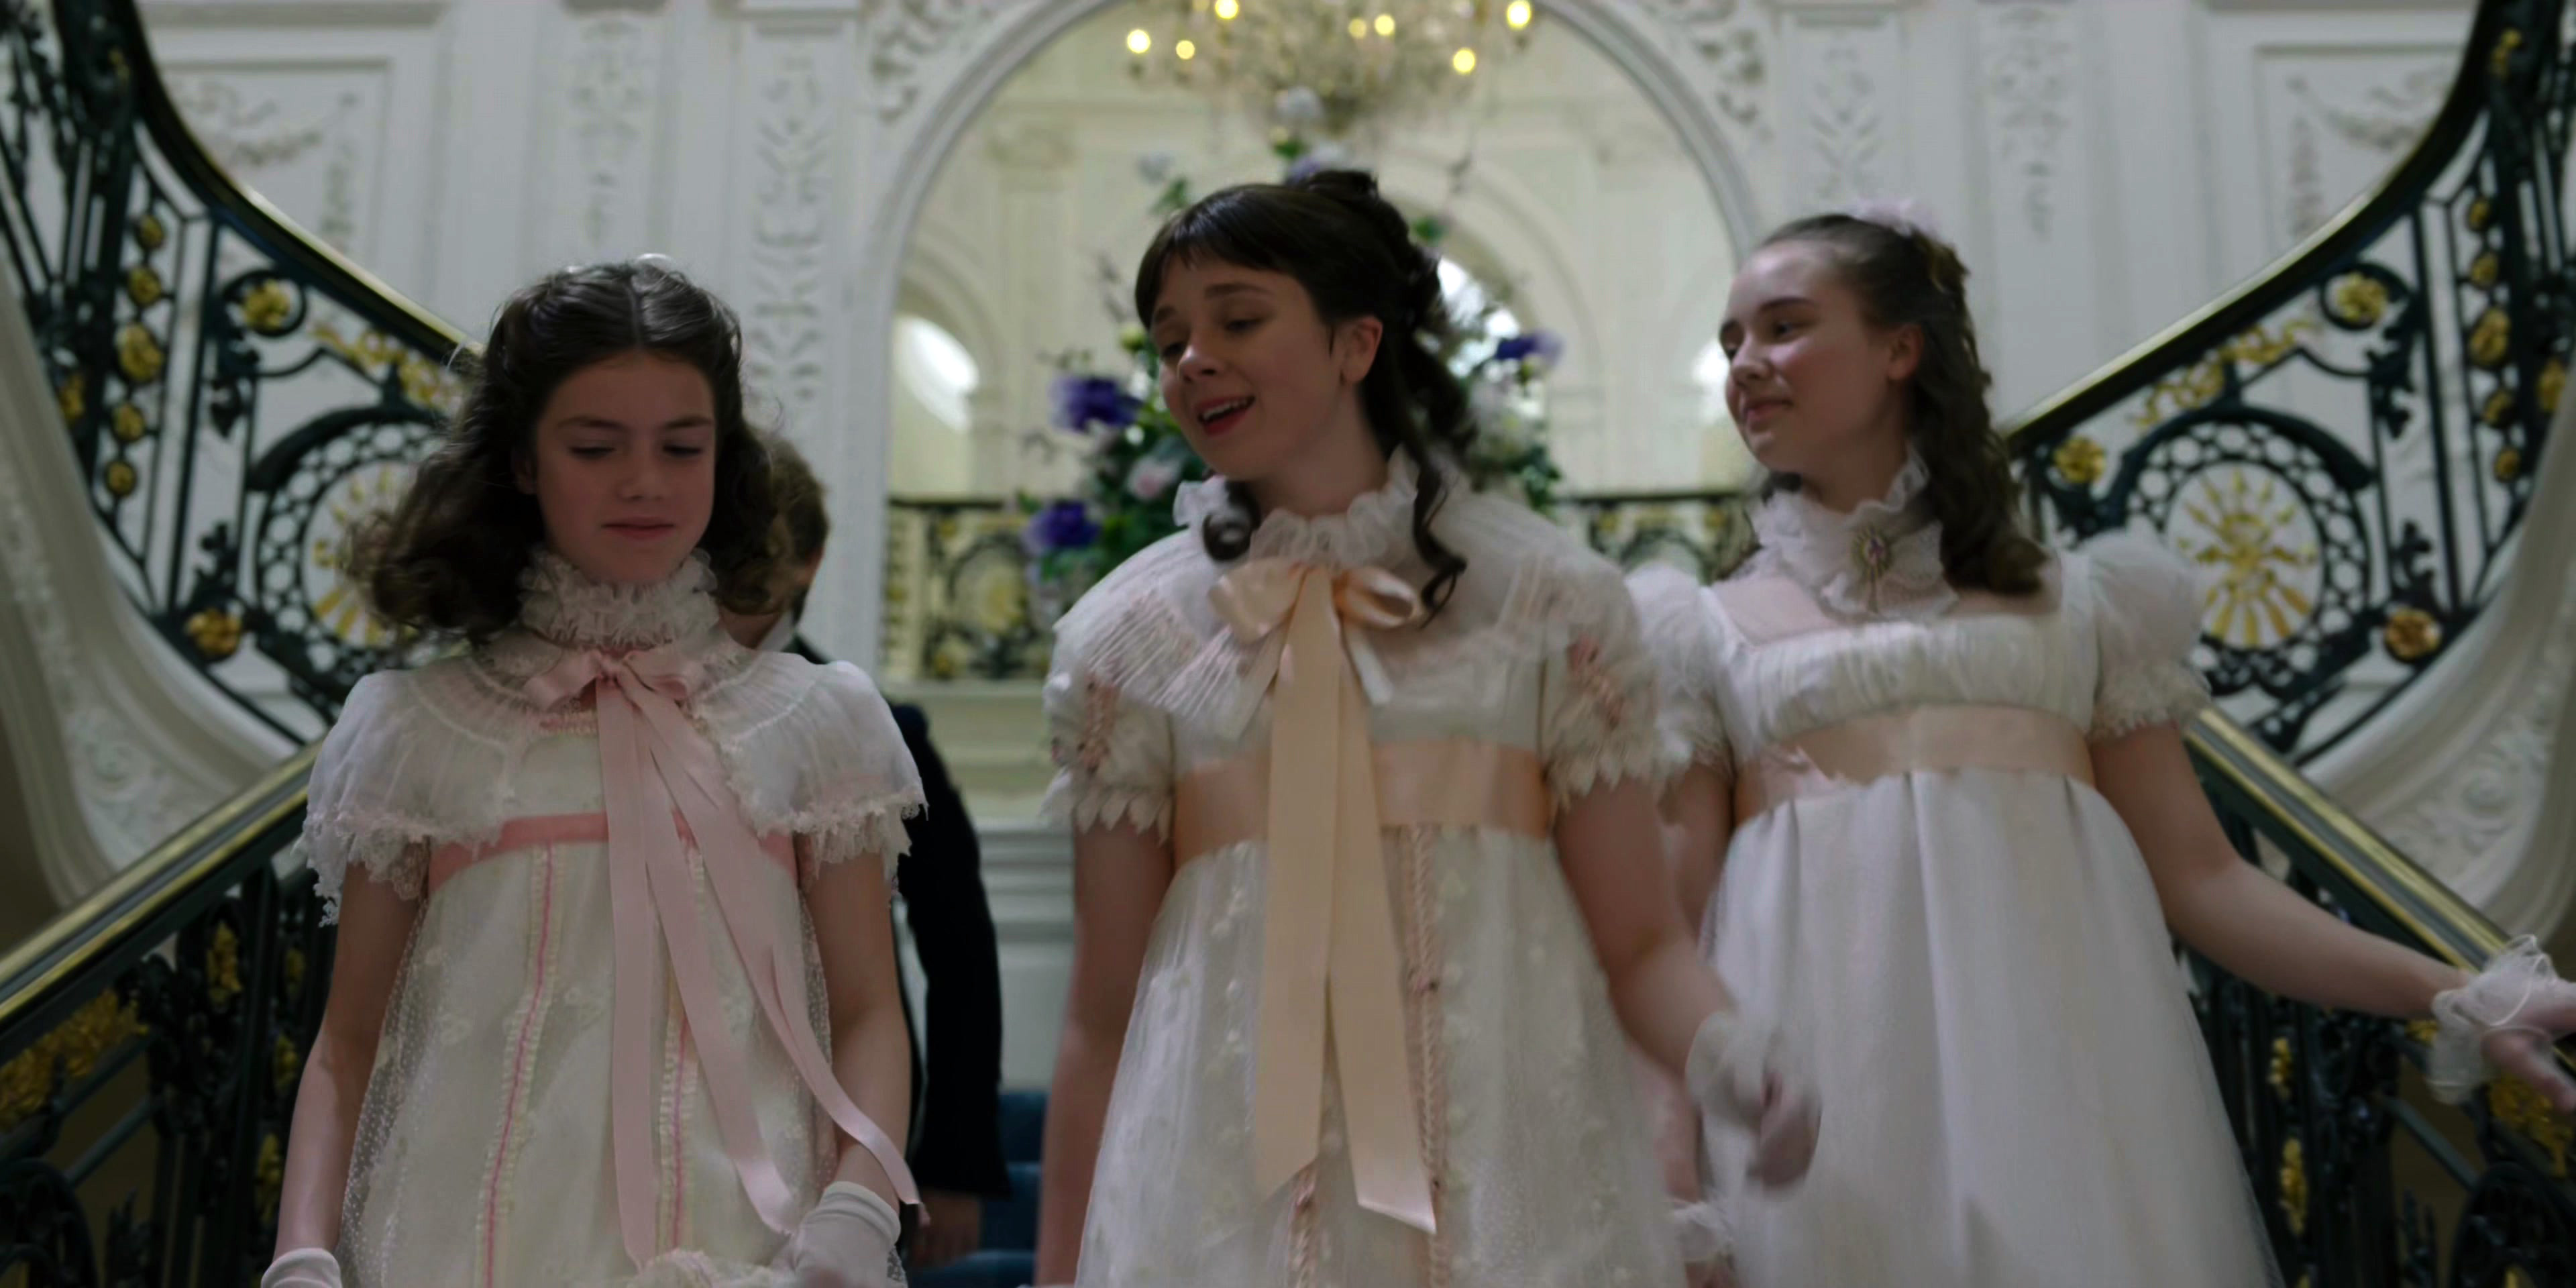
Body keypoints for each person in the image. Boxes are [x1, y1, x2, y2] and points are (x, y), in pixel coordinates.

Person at [1631, 205, 2576, 1287]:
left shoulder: (2082, 611)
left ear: (1901, 349)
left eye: (1786, 326)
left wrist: (2460, 994)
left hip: (2064, 1109)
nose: (1747, 364)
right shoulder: (1700, 634)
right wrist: (1673, 1179)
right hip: (1822, 1126)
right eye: (1732, 342)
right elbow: (1668, 934)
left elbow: (2207, 880)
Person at [1030, 170, 1819, 1288]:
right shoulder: (1131, 639)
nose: (1192, 360)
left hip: (1513, 1187)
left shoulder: (1549, 602)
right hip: (1224, 1208)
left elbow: (1641, 943)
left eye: (1238, 320)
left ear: (1357, 344)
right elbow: (1103, 1013)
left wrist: (1741, 1065)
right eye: (1169, 341)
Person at [265, 259, 924, 1288]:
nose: (644, 481)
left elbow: (871, 1008)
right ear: (523, 461)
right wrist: (301, 1256)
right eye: (595, 445)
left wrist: (859, 1208)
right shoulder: (415, 731)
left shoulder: (816, 723)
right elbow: (348, 1046)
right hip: (456, 1252)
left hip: (752, 1246)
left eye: (682, 446)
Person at [720, 436, 1013, 1272]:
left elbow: (960, 950)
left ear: (806, 562)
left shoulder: (874, 729)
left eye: (755, 552)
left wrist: (952, 1162)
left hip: (841, 1094)